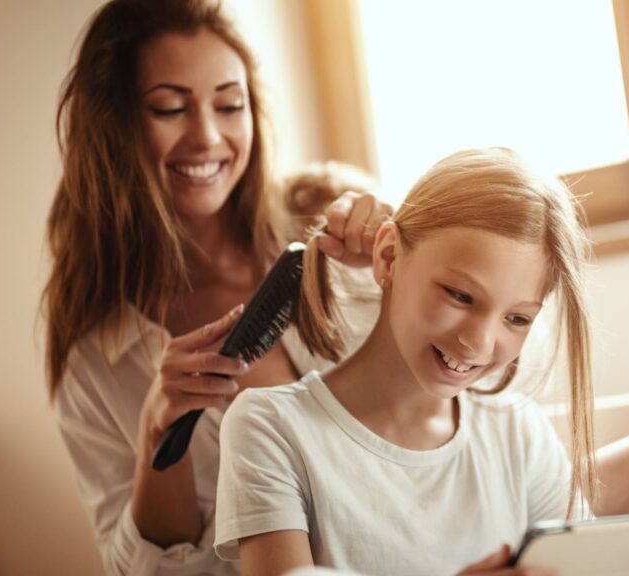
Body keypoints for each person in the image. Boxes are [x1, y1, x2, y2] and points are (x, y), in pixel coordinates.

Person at [213, 148, 629, 576]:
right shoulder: (270, 427)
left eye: (517, 319)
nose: (478, 343)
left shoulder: (517, 433)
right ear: (389, 256)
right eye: (460, 296)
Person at [43, 1, 390, 575]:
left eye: (230, 105)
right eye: (170, 108)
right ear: (115, 124)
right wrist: (159, 429)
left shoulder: (331, 237)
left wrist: (408, 265)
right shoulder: (95, 357)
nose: (207, 136)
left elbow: (476, 389)